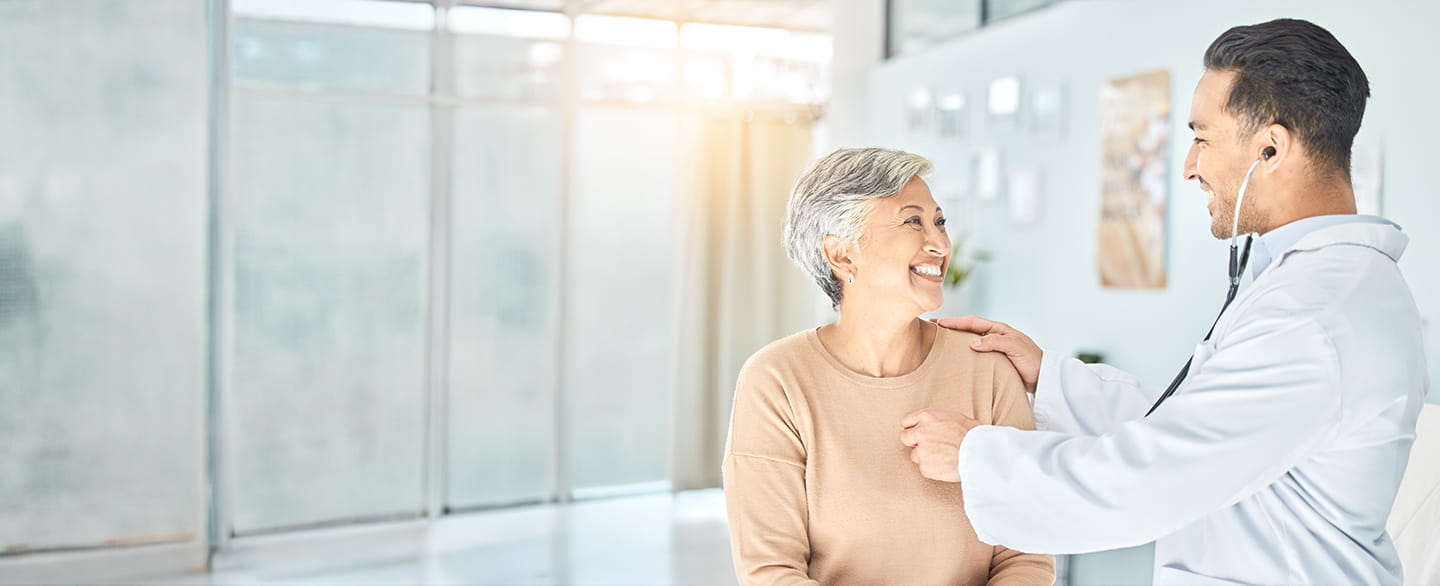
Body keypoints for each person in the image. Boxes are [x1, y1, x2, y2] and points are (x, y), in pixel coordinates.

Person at [901, 18, 1428, 585]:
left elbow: (1153, 478)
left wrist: (976, 457)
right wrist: (1049, 379)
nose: (1188, 166)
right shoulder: (1319, 289)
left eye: (1202, 138)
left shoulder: (1316, 316)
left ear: (1270, 148)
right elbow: (1197, 430)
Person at [722, 148, 1053, 585]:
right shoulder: (777, 381)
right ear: (842, 256)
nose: (939, 243)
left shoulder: (987, 369)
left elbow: (1026, 557)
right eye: (913, 221)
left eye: (939, 221)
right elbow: (771, 571)